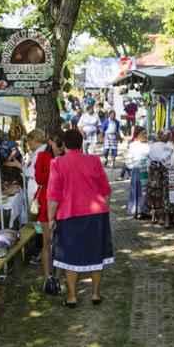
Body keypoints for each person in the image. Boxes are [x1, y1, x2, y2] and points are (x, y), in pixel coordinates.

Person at [47, 129, 114, 307]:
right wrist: (104, 208)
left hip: (69, 215)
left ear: (64, 144)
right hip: (96, 214)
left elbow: (54, 195)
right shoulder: (94, 161)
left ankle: (72, 297)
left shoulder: (57, 163)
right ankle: (96, 294)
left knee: (70, 257)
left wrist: (51, 217)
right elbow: (106, 189)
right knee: (96, 254)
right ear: (81, 142)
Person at [34, 132, 65, 295]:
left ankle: (58, 277)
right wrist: (55, 167)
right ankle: (48, 277)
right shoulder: (42, 156)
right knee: (47, 241)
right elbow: (39, 178)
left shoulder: (66, 157)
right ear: (51, 141)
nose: (60, 147)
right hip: (46, 202)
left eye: (62, 144)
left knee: (62, 242)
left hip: (64, 202)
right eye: (57, 143)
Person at [146, 130, 174, 226]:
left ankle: (156, 216)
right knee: (160, 194)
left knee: (156, 194)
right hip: (160, 172)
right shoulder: (164, 146)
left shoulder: (155, 145)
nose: (167, 136)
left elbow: (149, 160)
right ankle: (160, 217)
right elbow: (165, 160)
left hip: (155, 172)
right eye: (165, 134)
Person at [126, 127, 151, 219]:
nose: (145, 135)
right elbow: (128, 159)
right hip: (137, 170)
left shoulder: (148, 145)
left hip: (146, 170)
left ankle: (144, 210)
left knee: (145, 191)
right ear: (137, 135)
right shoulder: (133, 145)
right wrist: (133, 166)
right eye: (143, 133)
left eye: (146, 133)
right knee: (137, 190)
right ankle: (136, 210)